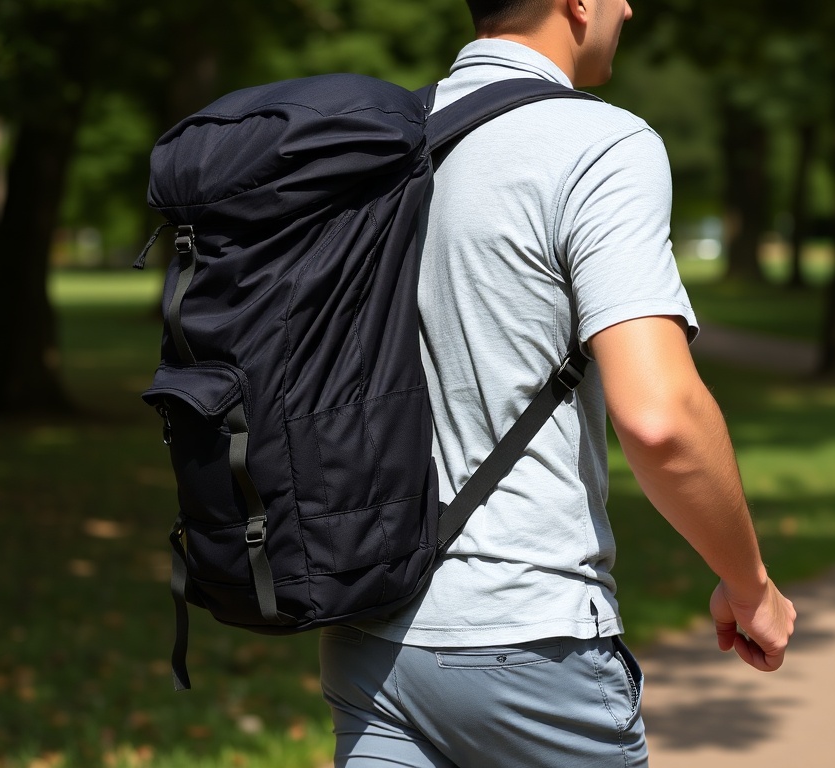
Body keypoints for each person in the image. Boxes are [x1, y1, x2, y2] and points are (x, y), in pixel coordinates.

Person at [318, 1, 797, 765]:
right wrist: (751, 584)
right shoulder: (600, 142)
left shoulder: (380, 143)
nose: (628, 7)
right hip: (529, 640)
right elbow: (661, 418)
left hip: (369, 634)